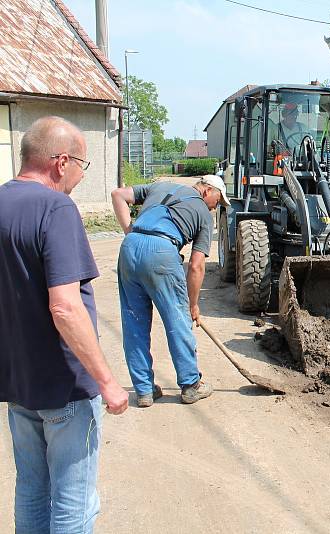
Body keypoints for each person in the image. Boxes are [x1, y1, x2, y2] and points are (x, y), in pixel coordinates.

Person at [0, 116, 129, 532]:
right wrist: (106, 381)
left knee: (32, 491)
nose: (79, 176)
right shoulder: (55, 207)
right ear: (60, 162)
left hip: (19, 386)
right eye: (81, 165)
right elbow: (65, 308)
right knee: (73, 501)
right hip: (66, 388)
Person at [111, 175, 230, 407]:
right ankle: (190, 385)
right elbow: (196, 266)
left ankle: (144, 391)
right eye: (218, 201)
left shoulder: (160, 185)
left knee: (134, 321)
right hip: (162, 251)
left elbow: (118, 195)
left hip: (130, 247)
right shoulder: (204, 214)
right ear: (207, 191)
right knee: (178, 319)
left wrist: (129, 231)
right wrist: (192, 304)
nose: (217, 206)